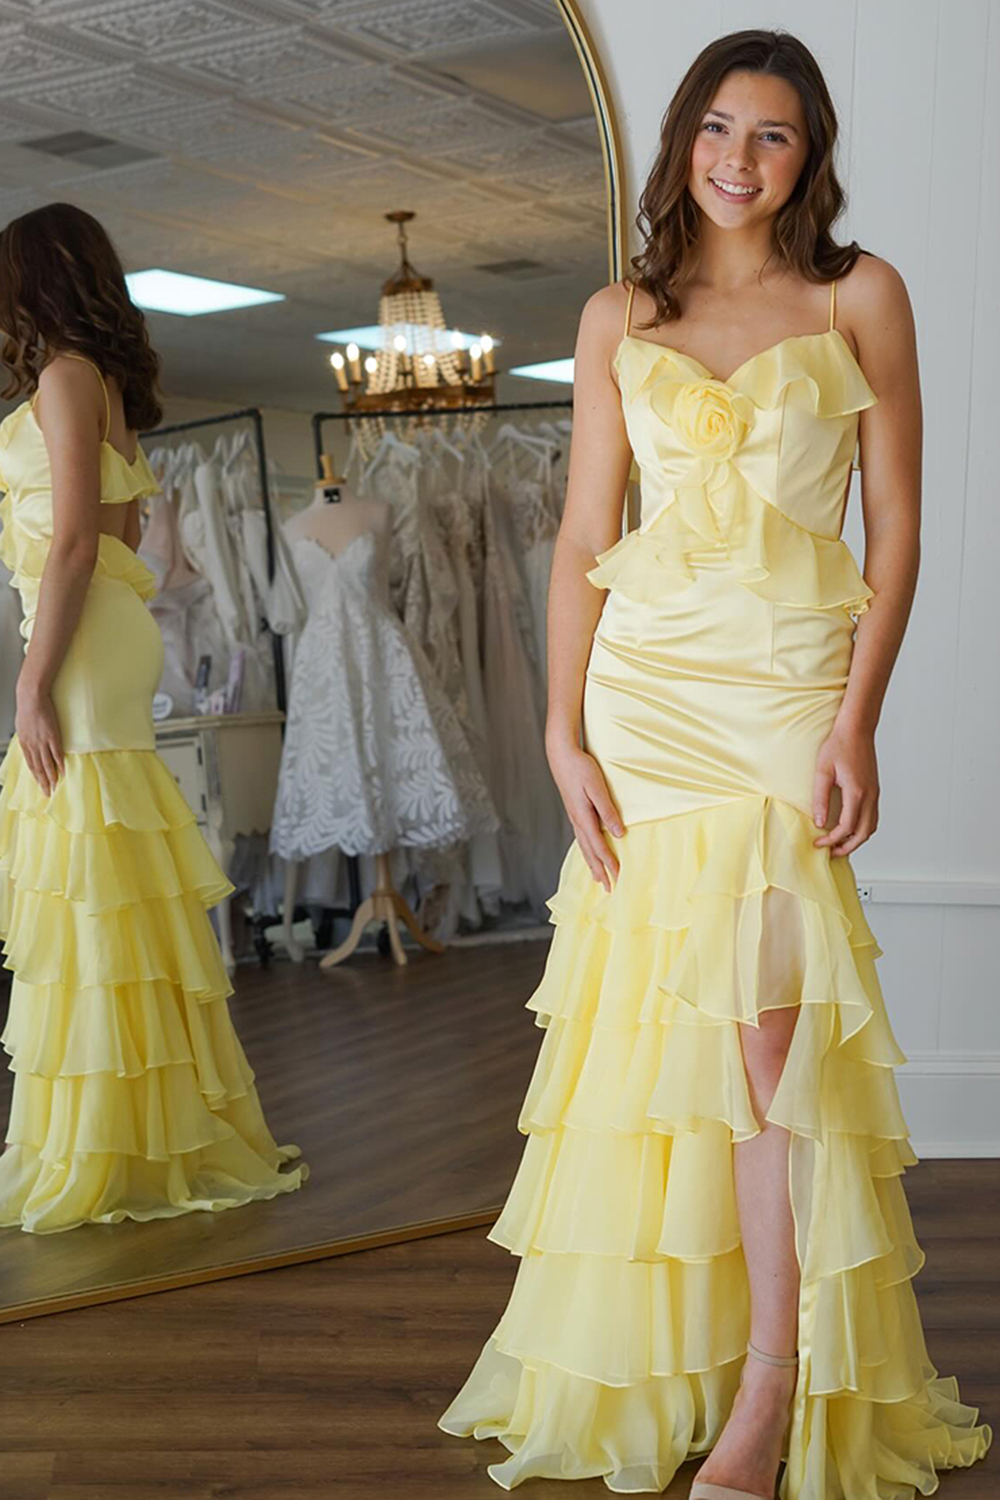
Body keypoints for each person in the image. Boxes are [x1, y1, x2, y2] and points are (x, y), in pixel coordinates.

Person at [437, 28, 992, 1498]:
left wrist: (859, 717)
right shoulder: (620, 311)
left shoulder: (860, 293)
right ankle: (695, 1360)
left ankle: (773, 1388)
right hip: (650, 698)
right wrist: (559, 730)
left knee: (770, 1038)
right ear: (684, 138)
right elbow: (576, 540)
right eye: (720, 130)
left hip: (788, 689)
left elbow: (902, 526)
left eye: (777, 137)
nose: (741, 161)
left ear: (809, 159)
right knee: (679, 1036)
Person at [0, 201, 308, 1232]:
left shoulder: (60, 378)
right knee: (111, 880)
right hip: (116, 632)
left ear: (31, 279)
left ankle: (100, 1142)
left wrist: (30, 681)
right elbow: (124, 535)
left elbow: (77, 544)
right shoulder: (110, 387)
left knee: (89, 882)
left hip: (82, 638)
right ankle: (139, 1123)